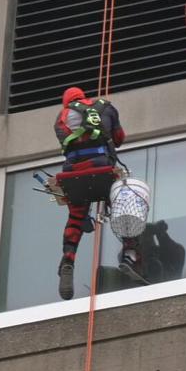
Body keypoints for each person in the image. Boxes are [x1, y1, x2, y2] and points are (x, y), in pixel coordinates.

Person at [53, 86, 141, 299]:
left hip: (73, 172)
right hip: (102, 166)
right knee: (122, 206)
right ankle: (129, 254)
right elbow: (119, 138)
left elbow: (67, 144)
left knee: (75, 218)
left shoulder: (60, 118)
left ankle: (68, 258)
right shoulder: (106, 108)